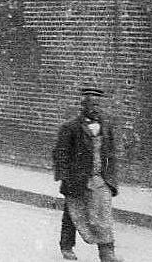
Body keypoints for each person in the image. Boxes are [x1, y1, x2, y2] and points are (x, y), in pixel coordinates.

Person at [53, 87, 119, 262]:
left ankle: (107, 253)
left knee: (104, 214)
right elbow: (60, 153)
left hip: (100, 179)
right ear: (83, 106)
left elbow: (110, 154)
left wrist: (110, 178)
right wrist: (65, 177)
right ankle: (66, 246)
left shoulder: (106, 126)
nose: (96, 108)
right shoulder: (70, 127)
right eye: (92, 104)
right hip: (77, 179)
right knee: (73, 214)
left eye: (99, 104)